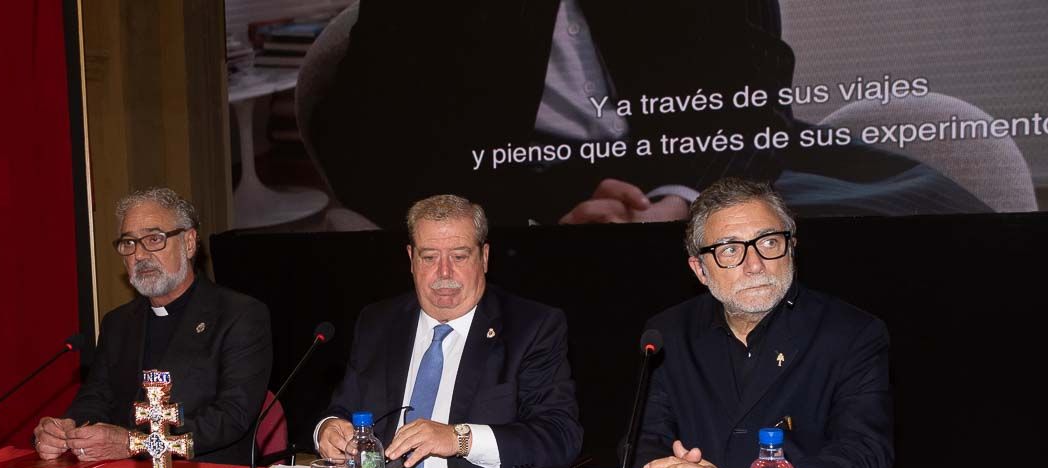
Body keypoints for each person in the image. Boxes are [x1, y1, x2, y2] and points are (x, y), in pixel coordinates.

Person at [308, 1, 988, 230]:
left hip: (718, 169)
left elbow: (755, 87)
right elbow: (370, 144)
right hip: (535, 208)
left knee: (931, 216)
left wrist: (685, 197)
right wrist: (538, 213)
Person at [630, 177, 893, 468]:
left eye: (769, 242)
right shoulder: (667, 332)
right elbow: (643, 441)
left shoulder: (851, 333)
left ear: (792, 247)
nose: (754, 265)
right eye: (729, 250)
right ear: (700, 270)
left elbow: (865, 459)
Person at [315, 194, 582, 468]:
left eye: (459, 256)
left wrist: (459, 438)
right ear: (411, 259)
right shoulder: (378, 323)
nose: (444, 272)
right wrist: (328, 429)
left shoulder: (532, 327)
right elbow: (343, 409)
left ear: (484, 257)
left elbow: (560, 437)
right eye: (429, 257)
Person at [33, 187, 272, 464]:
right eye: (129, 243)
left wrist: (136, 444)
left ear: (189, 242)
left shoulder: (239, 315)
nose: (139, 255)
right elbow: (95, 399)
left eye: (153, 239)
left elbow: (231, 417)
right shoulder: (118, 323)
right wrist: (66, 428)